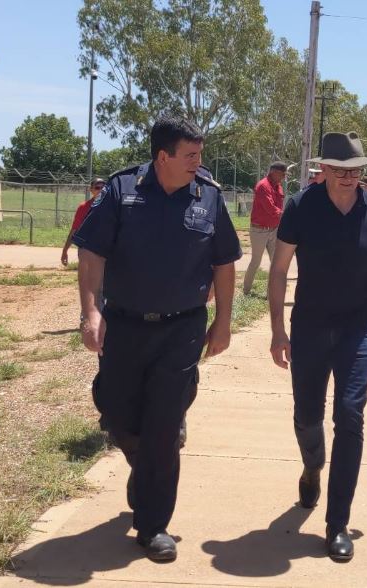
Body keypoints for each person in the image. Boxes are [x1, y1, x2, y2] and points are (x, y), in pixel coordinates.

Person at [73, 114, 242, 561]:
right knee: (117, 414)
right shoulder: (121, 191)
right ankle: (145, 462)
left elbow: (225, 263)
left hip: (182, 329)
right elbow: (92, 253)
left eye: (200, 155)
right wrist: (90, 311)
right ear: (162, 156)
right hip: (125, 325)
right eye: (190, 155)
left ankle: (152, 525)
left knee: (163, 428)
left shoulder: (209, 197)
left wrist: (222, 321)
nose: (198, 163)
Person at [268, 131, 367, 562]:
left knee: (350, 413)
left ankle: (336, 522)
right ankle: (312, 465)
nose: (348, 177)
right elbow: (279, 269)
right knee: (307, 414)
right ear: (322, 169)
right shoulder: (300, 207)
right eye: (340, 169)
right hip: (308, 324)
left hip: (358, 325)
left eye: (356, 170)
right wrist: (276, 328)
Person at [243, 161, 286, 295]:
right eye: (282, 174)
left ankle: (271, 293)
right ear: (273, 172)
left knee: (275, 263)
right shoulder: (263, 186)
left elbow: (278, 207)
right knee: (256, 261)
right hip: (259, 230)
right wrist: (286, 214)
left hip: (273, 229)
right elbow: (270, 208)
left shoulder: (278, 186)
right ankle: (246, 290)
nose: (283, 177)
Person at [61, 178, 106, 266]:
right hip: (87, 248)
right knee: (87, 277)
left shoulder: (113, 207)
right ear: (91, 190)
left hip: (105, 248)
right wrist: (65, 250)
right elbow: (74, 230)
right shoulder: (84, 207)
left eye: (103, 188)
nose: (100, 190)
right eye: (97, 188)